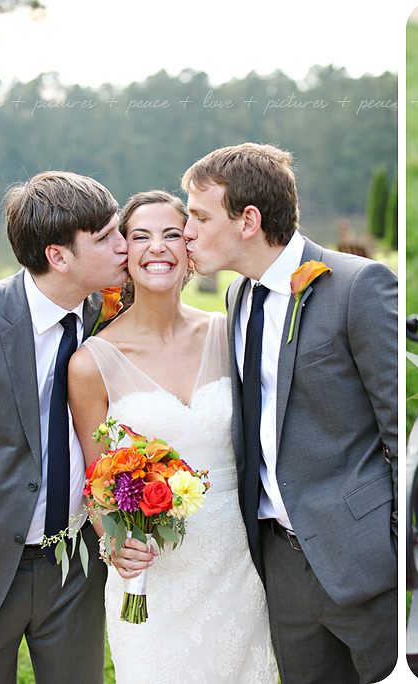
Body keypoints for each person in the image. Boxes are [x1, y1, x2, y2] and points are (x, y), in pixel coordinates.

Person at [180, 142, 398, 683]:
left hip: (366, 559)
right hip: (279, 562)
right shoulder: (237, 298)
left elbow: (401, 427)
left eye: (199, 215)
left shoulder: (357, 287)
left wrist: (392, 541)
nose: (187, 229)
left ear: (248, 220)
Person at [67, 190, 277, 684]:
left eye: (171, 235)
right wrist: (114, 544)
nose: (156, 247)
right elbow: (95, 481)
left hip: (237, 559)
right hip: (153, 569)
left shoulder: (233, 334)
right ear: (124, 251)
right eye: (140, 236)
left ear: (190, 249)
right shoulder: (91, 363)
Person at [0, 171, 127, 683]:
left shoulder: (114, 315)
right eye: (108, 237)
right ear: (58, 256)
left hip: (75, 565)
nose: (124, 245)